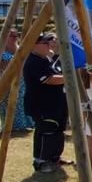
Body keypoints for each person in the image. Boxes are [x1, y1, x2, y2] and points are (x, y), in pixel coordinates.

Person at [23, 33, 67, 173]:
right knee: (46, 131)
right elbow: (48, 79)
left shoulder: (46, 59)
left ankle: (55, 157)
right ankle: (40, 161)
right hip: (41, 105)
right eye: (45, 43)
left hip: (56, 103)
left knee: (58, 130)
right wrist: (70, 77)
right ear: (34, 45)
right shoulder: (33, 61)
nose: (49, 45)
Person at [0, 29, 35, 132]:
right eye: (11, 36)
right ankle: (10, 125)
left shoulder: (20, 49)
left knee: (21, 101)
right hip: (6, 79)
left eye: (16, 35)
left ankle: (24, 124)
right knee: (7, 102)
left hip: (22, 79)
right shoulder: (0, 50)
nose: (14, 38)